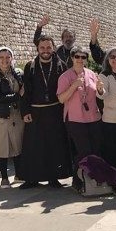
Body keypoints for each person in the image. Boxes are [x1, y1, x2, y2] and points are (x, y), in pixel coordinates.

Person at [19, 36, 73, 189]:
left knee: (54, 145)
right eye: (42, 48)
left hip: (55, 110)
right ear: (38, 49)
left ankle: (53, 177)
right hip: (35, 112)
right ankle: (31, 179)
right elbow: (25, 92)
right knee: (33, 146)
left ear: (53, 48)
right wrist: (25, 111)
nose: (45, 51)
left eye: (49, 48)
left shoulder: (60, 65)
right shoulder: (31, 66)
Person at [57, 46, 104, 190]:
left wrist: (101, 89)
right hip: (75, 119)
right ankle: (78, 180)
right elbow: (61, 99)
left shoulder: (91, 74)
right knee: (83, 151)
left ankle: (93, 179)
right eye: (77, 56)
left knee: (95, 150)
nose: (80, 60)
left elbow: (100, 93)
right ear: (72, 58)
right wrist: (73, 86)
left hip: (93, 117)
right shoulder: (65, 76)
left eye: (83, 57)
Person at [0, 47, 25, 188]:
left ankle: (19, 174)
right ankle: (4, 178)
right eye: (1, 57)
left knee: (17, 146)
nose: (5, 60)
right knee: (1, 149)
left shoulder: (17, 73)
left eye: (8, 57)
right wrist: (18, 95)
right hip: (0, 117)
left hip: (16, 116)